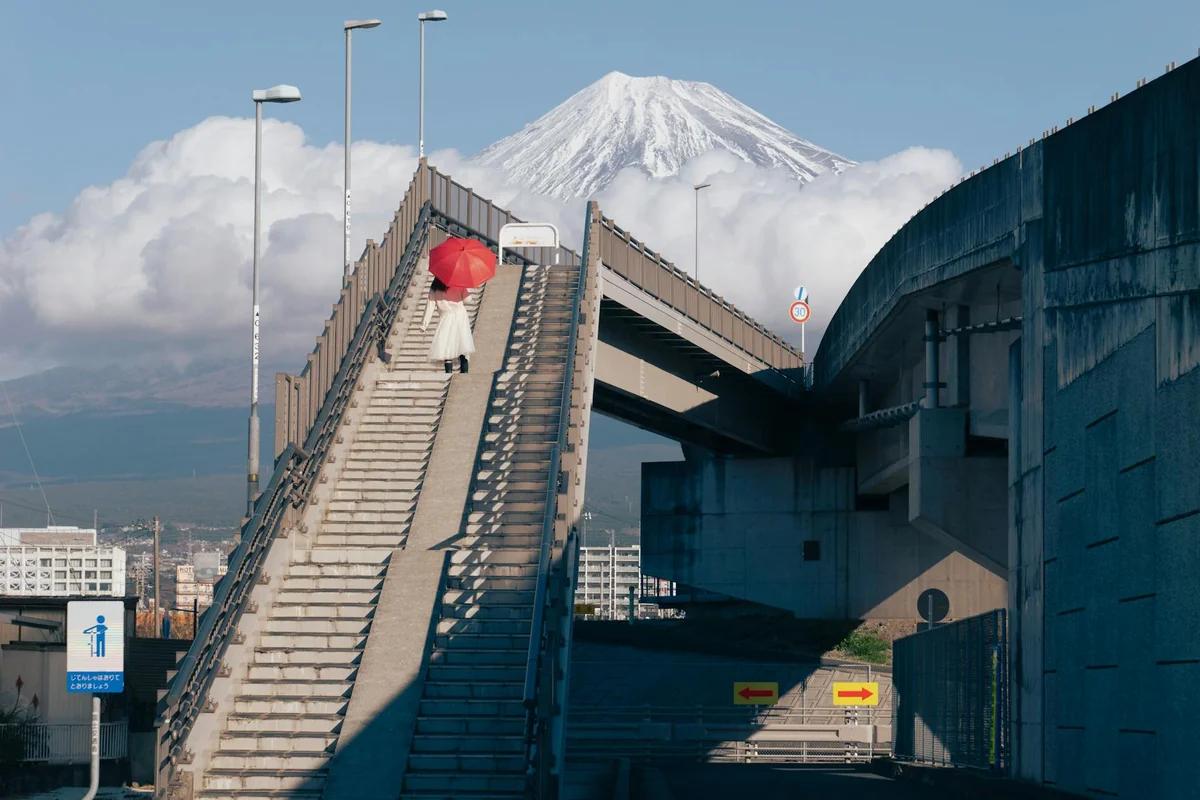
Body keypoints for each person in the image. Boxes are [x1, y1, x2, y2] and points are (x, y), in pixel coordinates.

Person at [422, 276, 475, 373]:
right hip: (460, 317)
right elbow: (468, 300)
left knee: (447, 348)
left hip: (445, 318)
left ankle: (448, 373)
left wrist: (424, 325)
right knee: (462, 346)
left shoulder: (435, 287)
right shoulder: (458, 283)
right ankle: (464, 373)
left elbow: (430, 306)